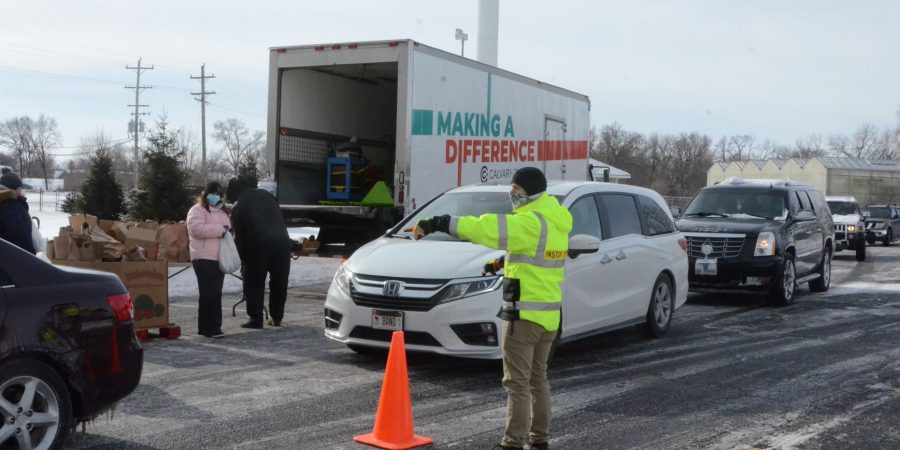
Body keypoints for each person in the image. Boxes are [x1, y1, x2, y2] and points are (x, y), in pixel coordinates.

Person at [410, 167, 571, 450]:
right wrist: (501, 263)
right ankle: (539, 439)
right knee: (538, 380)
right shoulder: (556, 221)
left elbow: (483, 227)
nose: (512, 195)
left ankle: (511, 443)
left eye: (517, 190)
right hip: (549, 315)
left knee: (517, 384)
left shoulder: (531, 221)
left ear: (531, 192)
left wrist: (438, 222)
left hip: (523, 316)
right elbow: (534, 255)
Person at [226, 177, 292, 329]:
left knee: (254, 282)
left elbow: (239, 237)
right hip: (282, 243)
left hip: (258, 247)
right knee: (279, 282)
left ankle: (256, 319)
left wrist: (241, 258)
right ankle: (277, 317)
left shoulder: (238, 206)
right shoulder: (266, 195)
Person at [186, 181, 232, 338]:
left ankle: (206, 327)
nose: (216, 196)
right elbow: (196, 229)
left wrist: (229, 232)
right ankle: (212, 328)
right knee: (210, 293)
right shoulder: (197, 210)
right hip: (203, 257)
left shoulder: (222, 211)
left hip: (219, 258)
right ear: (205, 194)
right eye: (214, 193)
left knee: (213, 293)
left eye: (219, 194)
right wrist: (221, 230)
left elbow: (229, 230)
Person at [0, 171, 37, 254]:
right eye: (19, 188)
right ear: (13, 189)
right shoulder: (11, 207)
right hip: (18, 257)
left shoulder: (6, 204)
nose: (21, 191)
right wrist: (31, 254)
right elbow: (19, 234)